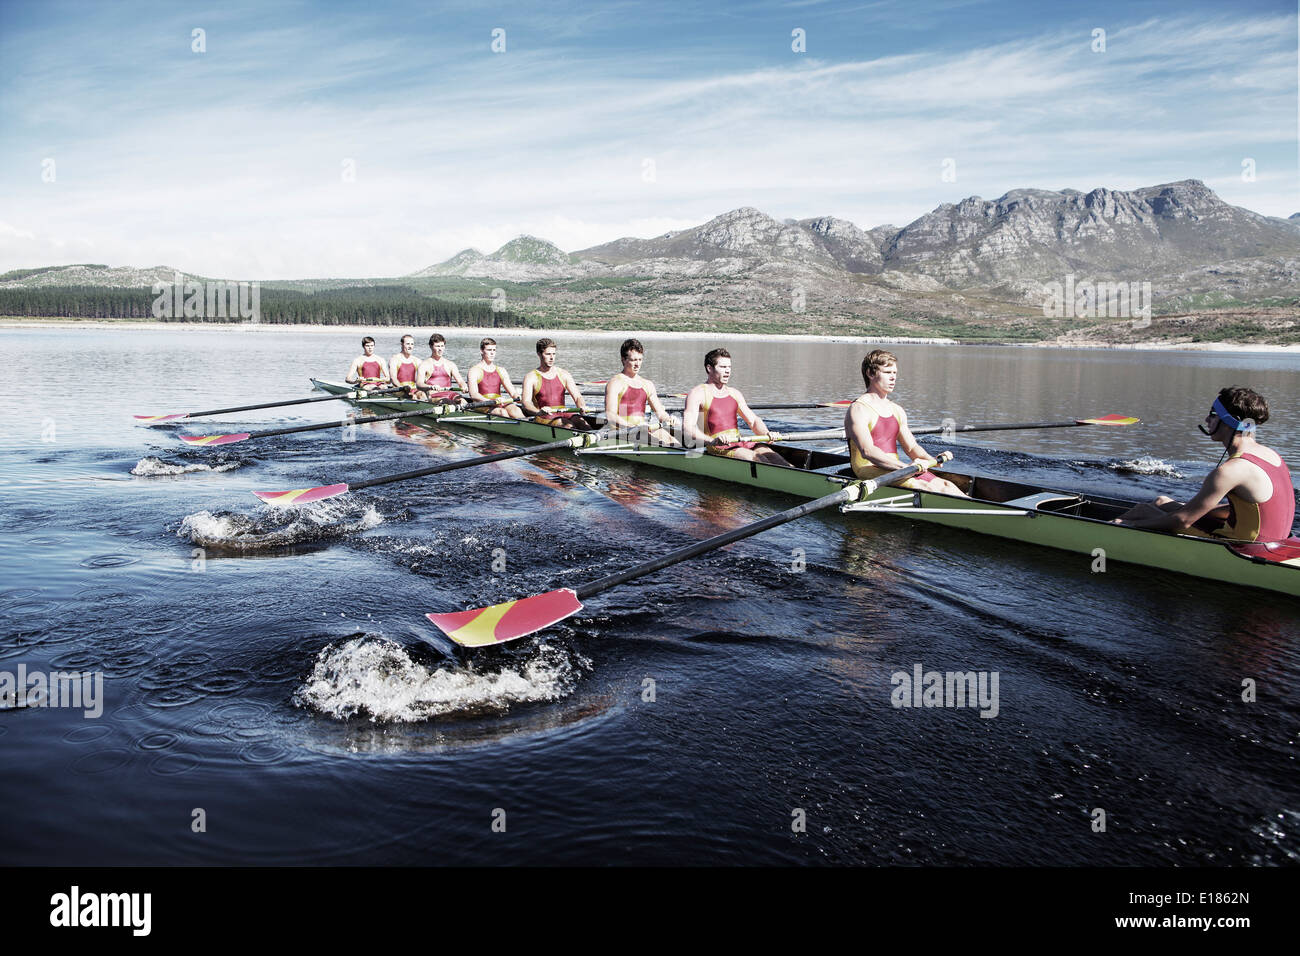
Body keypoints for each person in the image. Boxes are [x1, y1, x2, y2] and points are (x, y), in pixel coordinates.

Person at [1114, 386, 1294, 542]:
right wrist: (1195, 509)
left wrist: (1131, 524)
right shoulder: (1273, 456)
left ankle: (1107, 538)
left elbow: (1183, 521)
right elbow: (1249, 508)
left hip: (1244, 547)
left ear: (1230, 421)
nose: (1207, 420)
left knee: (1144, 511)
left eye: (1213, 415)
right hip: (1269, 541)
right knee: (1162, 501)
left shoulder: (1231, 470)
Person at [844, 349, 966, 495]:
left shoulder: (897, 410)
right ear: (870, 373)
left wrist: (931, 460)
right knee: (926, 487)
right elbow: (868, 451)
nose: (893, 378)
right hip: (867, 468)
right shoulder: (858, 409)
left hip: (895, 467)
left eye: (895, 373)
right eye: (887, 372)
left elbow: (911, 447)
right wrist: (905, 468)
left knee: (947, 485)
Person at [682, 348, 791, 467]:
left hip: (739, 441)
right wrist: (711, 441)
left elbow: (753, 421)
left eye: (729, 367)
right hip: (717, 445)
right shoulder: (697, 394)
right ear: (709, 368)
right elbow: (688, 428)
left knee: (776, 459)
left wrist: (767, 434)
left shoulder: (735, 393)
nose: (727, 371)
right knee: (757, 459)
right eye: (723, 367)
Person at [604, 338, 680, 445]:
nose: (638, 364)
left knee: (672, 440)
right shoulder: (615, 383)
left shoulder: (648, 384)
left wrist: (669, 419)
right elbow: (610, 415)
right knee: (664, 442)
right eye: (633, 360)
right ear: (623, 360)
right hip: (622, 432)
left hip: (642, 431)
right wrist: (632, 427)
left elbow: (660, 413)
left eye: (640, 360)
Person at [521, 337, 593, 428]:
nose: (552, 358)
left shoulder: (564, 374)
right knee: (568, 425)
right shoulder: (531, 377)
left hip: (563, 413)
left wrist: (582, 406)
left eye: (554, 354)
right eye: (548, 354)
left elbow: (577, 397)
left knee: (581, 422)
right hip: (543, 416)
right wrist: (538, 412)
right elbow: (526, 403)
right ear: (539, 354)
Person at [468, 337, 525, 419]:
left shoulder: (501, 370)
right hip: (482, 404)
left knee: (516, 410)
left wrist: (519, 398)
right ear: (481, 351)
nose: (492, 353)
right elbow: (473, 394)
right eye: (489, 350)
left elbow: (512, 393)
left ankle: (527, 424)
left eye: (494, 350)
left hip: (499, 402)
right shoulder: (474, 370)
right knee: (502, 412)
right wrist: (491, 402)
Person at [417, 333, 469, 401]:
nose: (440, 349)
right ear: (431, 346)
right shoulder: (424, 365)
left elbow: (460, 381)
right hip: (434, 395)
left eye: (442, 346)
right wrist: (431, 387)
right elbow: (419, 384)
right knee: (446, 401)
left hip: (449, 394)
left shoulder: (450, 364)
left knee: (462, 401)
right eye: (437, 346)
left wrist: (464, 386)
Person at [389, 334, 425, 400]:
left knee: (423, 395)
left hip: (413, 388)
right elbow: (393, 379)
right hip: (399, 389)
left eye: (412, 344)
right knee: (413, 397)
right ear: (402, 344)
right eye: (408, 344)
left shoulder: (417, 361)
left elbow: (425, 376)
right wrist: (404, 389)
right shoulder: (394, 359)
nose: (410, 346)